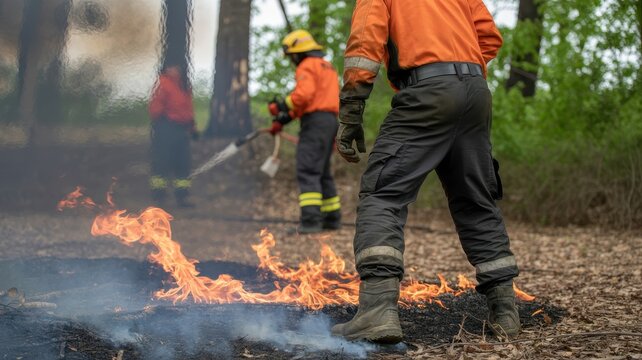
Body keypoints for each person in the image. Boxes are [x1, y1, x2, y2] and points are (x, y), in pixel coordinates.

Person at [331, 0, 520, 343]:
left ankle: (376, 311)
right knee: (476, 199)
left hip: (427, 90)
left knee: (383, 194)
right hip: (476, 93)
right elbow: (489, 38)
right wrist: (460, 71)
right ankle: (505, 313)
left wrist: (351, 113)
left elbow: (365, 44)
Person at [269, 29, 342, 234]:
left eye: (292, 55)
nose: (292, 60)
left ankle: (310, 222)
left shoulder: (306, 66)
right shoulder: (327, 66)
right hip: (329, 122)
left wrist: (282, 105)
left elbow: (304, 96)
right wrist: (286, 117)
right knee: (323, 171)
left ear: (298, 52)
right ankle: (332, 219)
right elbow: (314, 100)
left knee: (308, 169)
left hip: (315, 123)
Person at [148, 64, 198, 208]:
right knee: (162, 162)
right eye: (172, 67)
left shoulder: (183, 85)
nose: (176, 69)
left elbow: (188, 108)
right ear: (167, 69)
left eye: (177, 67)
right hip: (166, 128)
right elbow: (155, 109)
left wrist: (192, 127)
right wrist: (160, 126)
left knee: (183, 164)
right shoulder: (163, 84)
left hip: (182, 130)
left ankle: (182, 197)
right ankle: (159, 197)